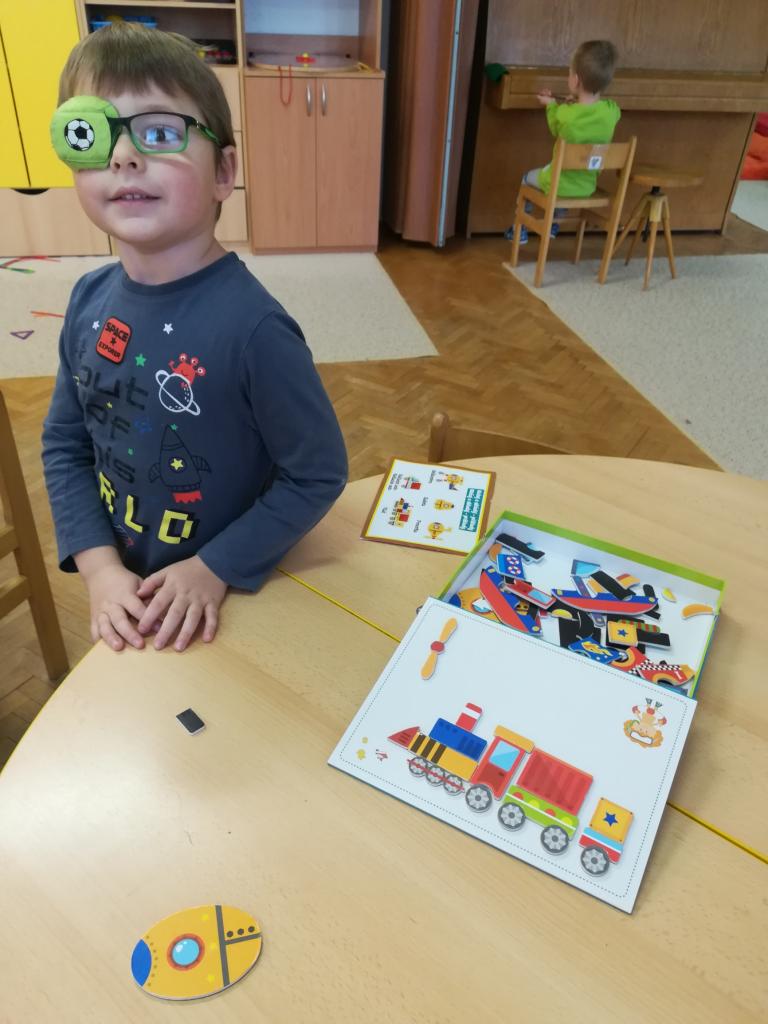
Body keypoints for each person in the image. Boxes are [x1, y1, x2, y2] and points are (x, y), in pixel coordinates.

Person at [42, 24, 348, 654]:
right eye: (93, 134)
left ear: (223, 172)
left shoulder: (256, 331)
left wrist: (214, 567)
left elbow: (316, 474)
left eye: (159, 134)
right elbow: (66, 445)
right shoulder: (86, 301)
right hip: (128, 596)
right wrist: (100, 570)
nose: (124, 157)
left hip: (234, 597)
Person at [505, 40, 621, 243]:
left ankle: (518, 230)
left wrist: (551, 105)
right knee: (568, 179)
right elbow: (599, 109)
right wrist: (577, 103)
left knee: (527, 178)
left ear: (575, 80)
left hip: (558, 184)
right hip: (587, 186)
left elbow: (555, 126)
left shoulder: (565, 114)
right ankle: (553, 225)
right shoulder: (611, 111)